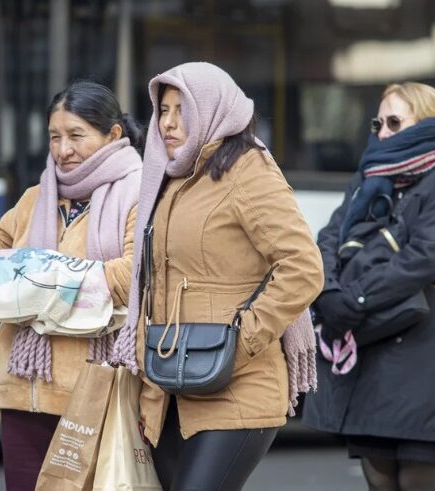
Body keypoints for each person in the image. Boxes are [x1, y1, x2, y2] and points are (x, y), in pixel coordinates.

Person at [110, 62, 324, 490]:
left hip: (236, 384)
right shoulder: (168, 178)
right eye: (163, 110)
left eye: (181, 110)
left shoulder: (248, 170)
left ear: (211, 109)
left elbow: (303, 267)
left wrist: (240, 339)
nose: (168, 123)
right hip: (169, 384)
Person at [0, 81, 144, 491]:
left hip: (94, 393)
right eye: (54, 136)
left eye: (76, 135)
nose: (63, 149)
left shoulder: (139, 194)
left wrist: (41, 280)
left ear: (113, 135)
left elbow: (133, 275)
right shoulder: (36, 198)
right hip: (22, 390)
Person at [302, 82, 435, 491]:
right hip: (369, 344)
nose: (383, 131)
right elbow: (329, 237)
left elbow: (425, 257)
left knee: (415, 478)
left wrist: (356, 297)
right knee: (377, 476)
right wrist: (329, 292)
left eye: (394, 121)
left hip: (420, 349)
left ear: (425, 123)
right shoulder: (366, 177)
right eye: (378, 123)